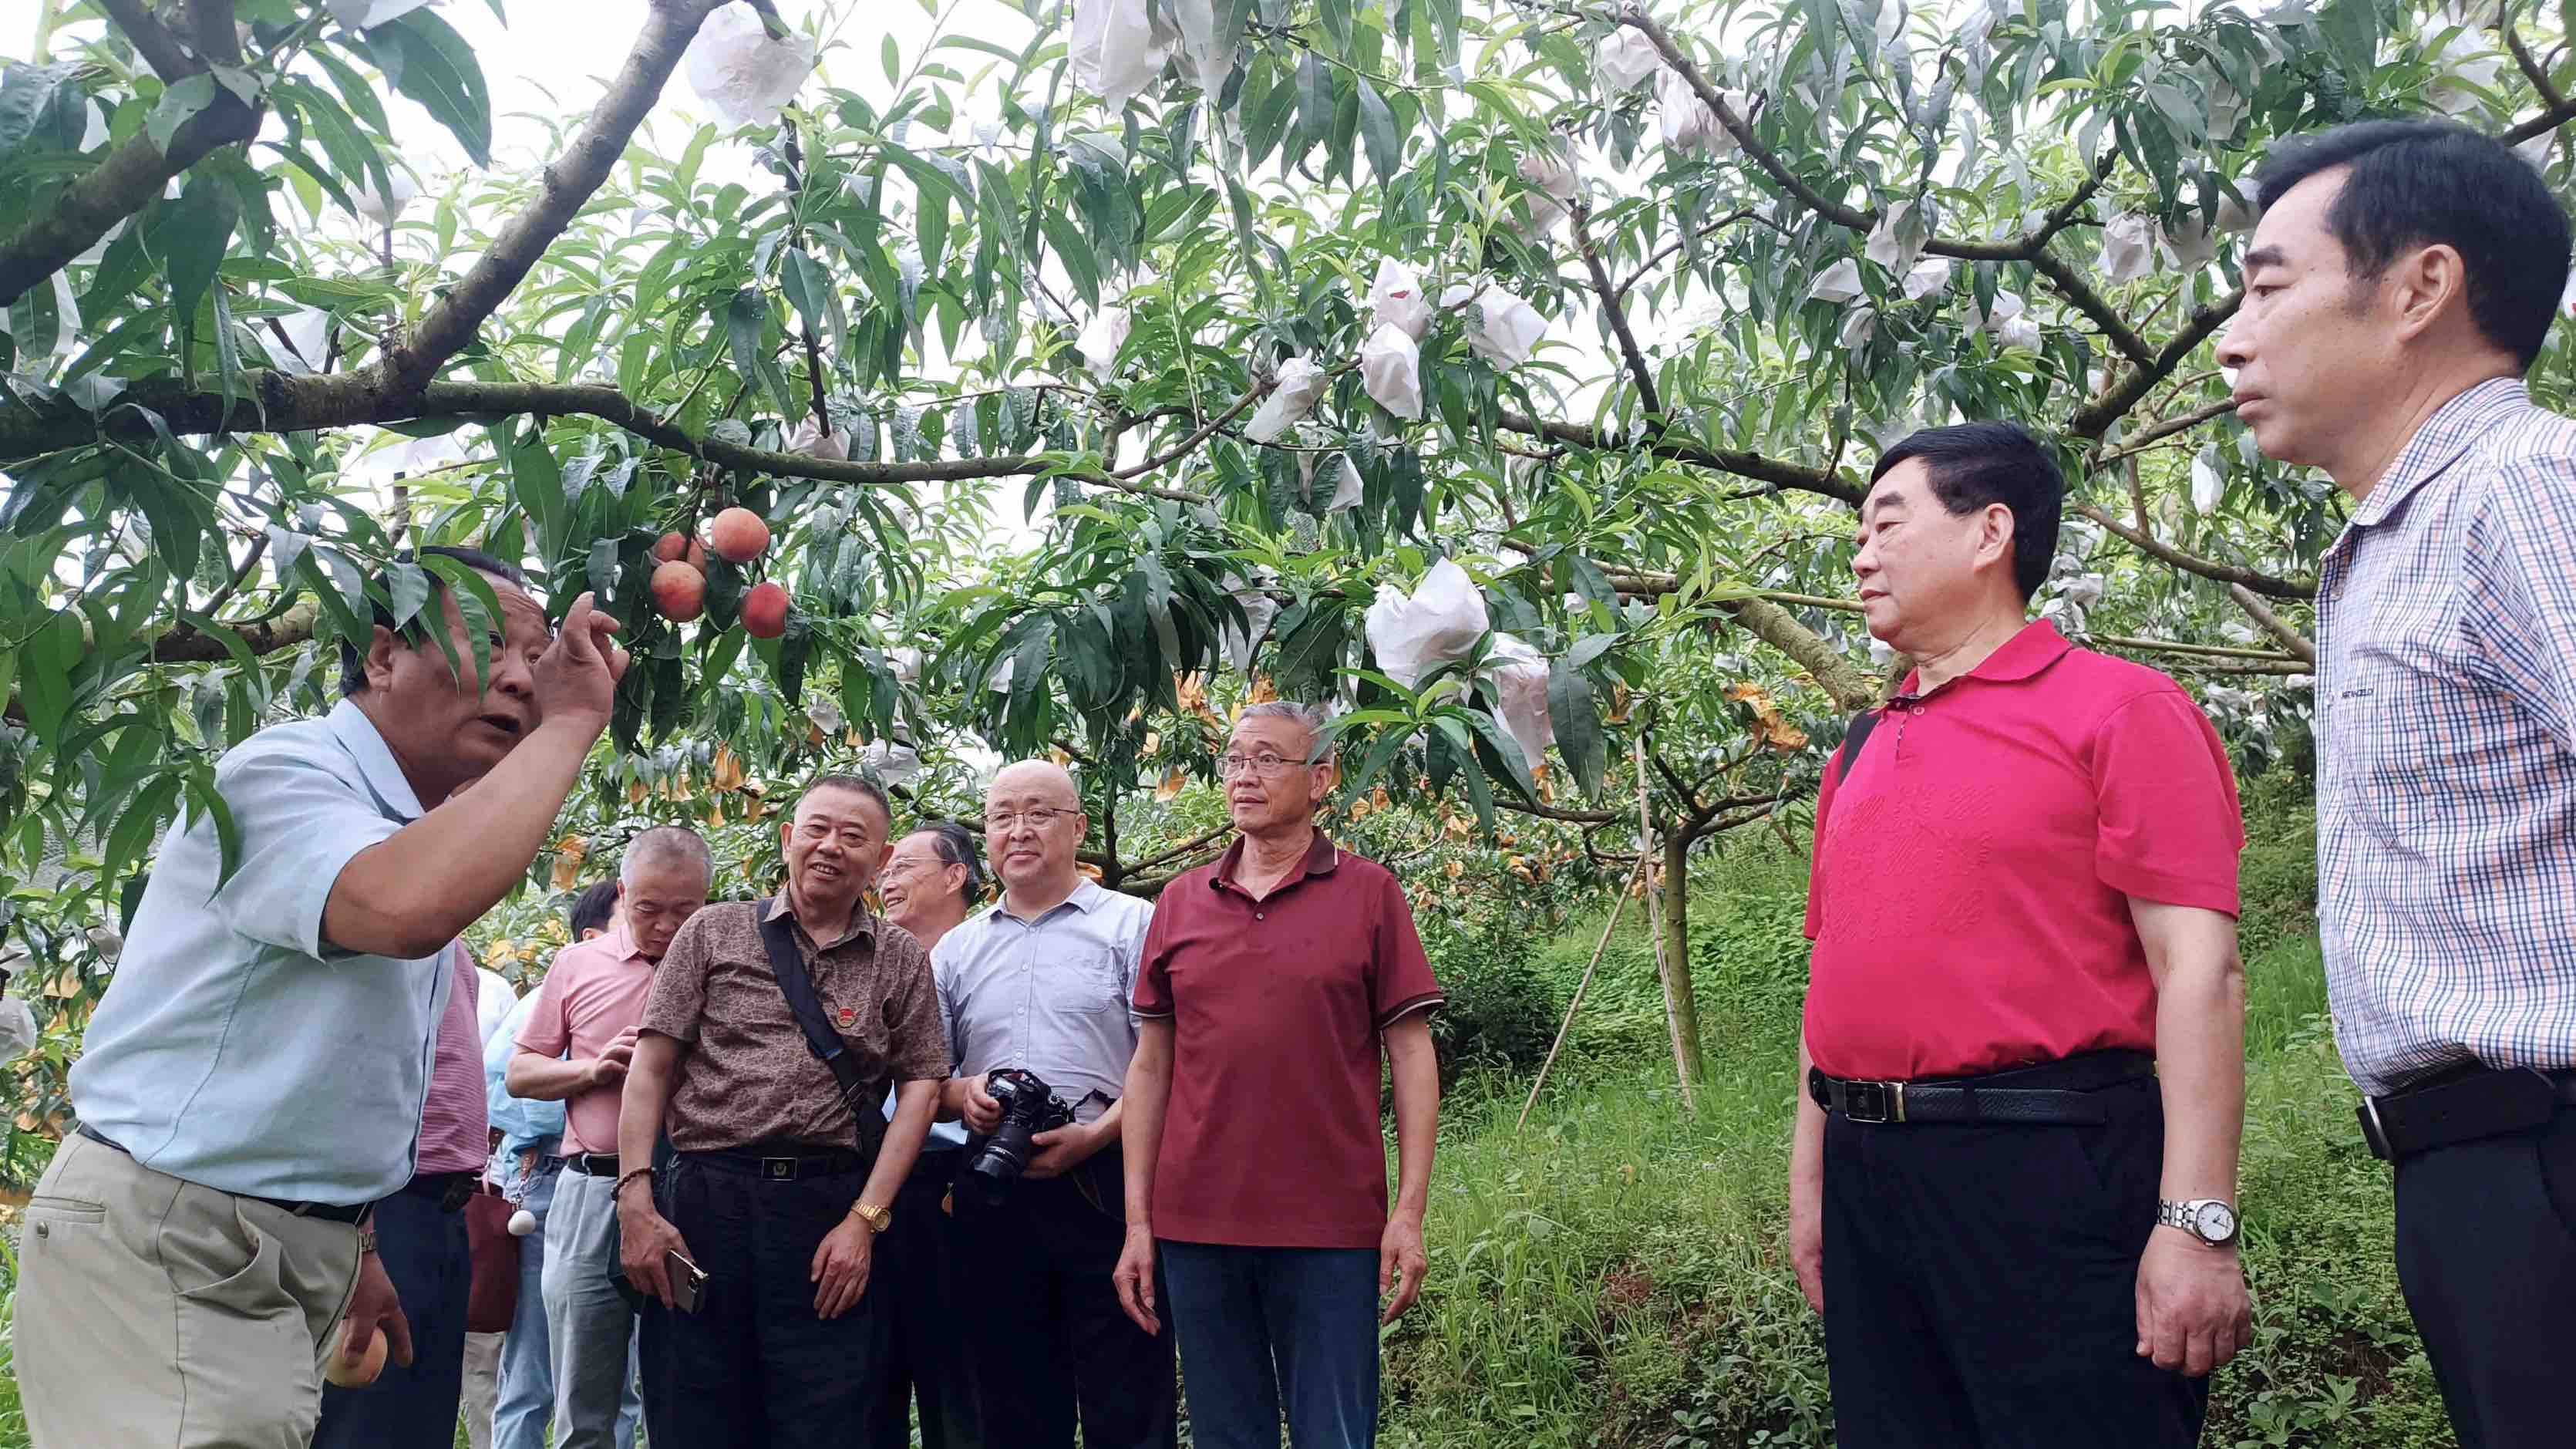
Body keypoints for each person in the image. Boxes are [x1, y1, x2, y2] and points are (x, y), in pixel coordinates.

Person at [16, 548, 627, 1449]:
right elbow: (403, 906)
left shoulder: (400, 823)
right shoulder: (285, 776)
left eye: (537, 660)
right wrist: (570, 726)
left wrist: (352, 1243)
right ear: (381, 657)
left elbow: (333, 1074)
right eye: (490, 644)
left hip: (270, 1241)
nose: (518, 679)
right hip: (174, 1235)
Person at [1790, 423, 2251, 1449]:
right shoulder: (1860, 747)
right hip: (1874, 1178)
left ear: (1990, 530)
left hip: (2051, 1165)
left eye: (1887, 522)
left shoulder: (2120, 709)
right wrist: (1814, 1187)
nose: (1860, 553)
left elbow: (2201, 972)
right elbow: (1831, 989)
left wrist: (2195, 1220)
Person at [2220, 120, 2576, 1448]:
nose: (2231, 338)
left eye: (2267, 286)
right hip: (2478, 1174)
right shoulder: (2399, 536)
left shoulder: (2525, 491)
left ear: (2420, 287)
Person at [1113, 702, 1443, 1449]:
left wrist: (1408, 1213)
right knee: (1227, 1434)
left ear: (1320, 778)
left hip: (1328, 1224)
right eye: (1233, 759)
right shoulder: (1179, 901)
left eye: (1267, 758)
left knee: (1335, 1431)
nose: (1243, 775)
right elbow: (1151, 1064)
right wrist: (1139, 1222)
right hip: (1196, 1223)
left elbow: (1412, 1054)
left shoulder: (1369, 893)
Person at [613, 774, 951, 1447]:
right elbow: (649, 1068)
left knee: (831, 1412)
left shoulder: (900, 957)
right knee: (695, 1410)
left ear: (880, 861)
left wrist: (866, 1219)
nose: (830, 847)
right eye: (817, 829)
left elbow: (921, 1087)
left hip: (827, 1210)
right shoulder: (713, 930)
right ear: (788, 837)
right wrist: (636, 1203)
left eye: (853, 836)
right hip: (705, 1205)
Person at [934, 768, 1172, 1448]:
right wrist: (966, 1095)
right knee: (1009, 1400)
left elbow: (1170, 1059)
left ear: (1078, 828)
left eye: (1039, 812)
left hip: (1111, 1182)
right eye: (1002, 815)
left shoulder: (1136, 925)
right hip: (992, 1183)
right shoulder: (958, 947)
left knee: (1128, 1392)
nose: (1018, 830)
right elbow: (927, 1079)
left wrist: (1096, 1134)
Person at [508, 827, 713, 1449]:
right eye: (649, 908)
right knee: (585, 1386)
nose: (666, 925)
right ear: (623, 892)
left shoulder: (729, 964)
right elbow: (521, 1072)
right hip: (591, 1191)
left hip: (692, 1188)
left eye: (686, 910)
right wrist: (591, 1070)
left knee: (691, 1383)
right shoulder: (578, 964)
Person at [311, 938, 494, 1449]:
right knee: (367, 1415)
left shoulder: (450, 947)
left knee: (423, 1411)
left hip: (445, 1206)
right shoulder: (381, 931)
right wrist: (360, 1232)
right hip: (384, 1203)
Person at [483, 883, 645, 1449]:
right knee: (539, 1358)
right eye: (641, 913)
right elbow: (504, 1093)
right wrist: (587, 1083)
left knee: (618, 1369)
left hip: (649, 1181)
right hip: (560, 1179)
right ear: (594, 935)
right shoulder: (562, 986)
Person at [870, 821, 989, 1449]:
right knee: (868, 1369)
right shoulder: (862, 959)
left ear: (955, 876)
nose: (886, 878)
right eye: (884, 869)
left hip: (950, 1180)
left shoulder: (985, 951)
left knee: (956, 1371)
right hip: (865, 1186)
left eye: (904, 866)